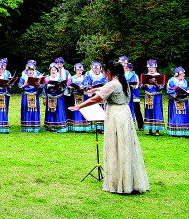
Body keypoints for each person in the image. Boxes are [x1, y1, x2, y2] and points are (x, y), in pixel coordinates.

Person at [70, 60, 149, 194]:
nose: (105, 75)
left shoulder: (112, 84)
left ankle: (120, 182)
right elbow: (107, 90)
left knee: (116, 146)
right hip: (125, 113)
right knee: (125, 146)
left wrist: (79, 106)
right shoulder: (123, 83)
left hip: (116, 115)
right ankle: (129, 181)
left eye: (106, 72)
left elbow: (96, 99)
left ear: (109, 72)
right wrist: (96, 89)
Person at [141, 60, 165, 136]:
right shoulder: (145, 76)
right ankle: (149, 129)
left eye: (152, 67)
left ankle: (157, 130)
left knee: (157, 111)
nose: (151, 69)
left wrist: (155, 83)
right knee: (148, 112)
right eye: (149, 67)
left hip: (156, 97)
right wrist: (143, 83)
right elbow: (142, 87)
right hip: (148, 96)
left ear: (155, 68)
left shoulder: (160, 76)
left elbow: (161, 88)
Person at [166, 67, 189, 137]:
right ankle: (175, 131)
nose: (184, 75)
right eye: (182, 73)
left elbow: (187, 88)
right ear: (178, 74)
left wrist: (186, 92)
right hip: (175, 101)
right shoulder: (171, 81)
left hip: (184, 101)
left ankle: (185, 132)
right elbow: (169, 90)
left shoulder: (185, 81)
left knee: (184, 116)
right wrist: (176, 94)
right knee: (176, 115)